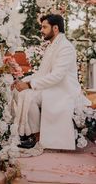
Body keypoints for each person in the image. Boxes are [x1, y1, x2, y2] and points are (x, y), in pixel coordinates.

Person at [12, 14, 90, 150]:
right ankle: (24, 132)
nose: (41, 30)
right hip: (51, 86)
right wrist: (23, 81)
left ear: (55, 28)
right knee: (18, 91)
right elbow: (42, 73)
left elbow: (57, 76)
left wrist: (29, 85)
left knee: (28, 96)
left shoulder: (65, 47)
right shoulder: (52, 45)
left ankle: (35, 137)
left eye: (44, 27)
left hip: (62, 90)